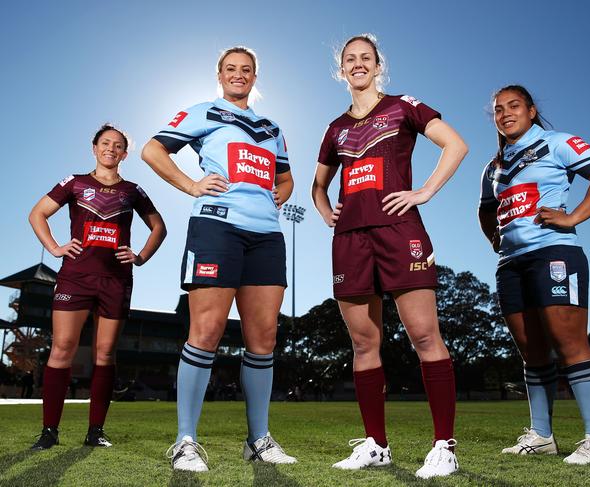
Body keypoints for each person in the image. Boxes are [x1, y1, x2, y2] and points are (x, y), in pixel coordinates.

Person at [312, 34, 468, 478]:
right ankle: (376, 446)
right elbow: (318, 186)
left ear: (378, 66)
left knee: (424, 334)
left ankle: (443, 446)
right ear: (341, 71)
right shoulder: (335, 128)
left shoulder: (404, 106)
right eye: (350, 60)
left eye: (366, 58)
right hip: (350, 239)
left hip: (400, 230)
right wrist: (326, 212)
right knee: (363, 343)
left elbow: (455, 145)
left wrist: (424, 192)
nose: (358, 64)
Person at [141, 45, 296, 472]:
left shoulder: (272, 126)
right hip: (217, 226)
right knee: (206, 330)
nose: (238, 75)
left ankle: (258, 440)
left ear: (255, 76)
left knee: (263, 338)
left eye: (246, 70)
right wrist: (192, 185)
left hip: (266, 235)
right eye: (231, 69)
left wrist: (273, 198)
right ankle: (185, 441)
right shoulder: (202, 112)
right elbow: (153, 151)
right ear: (220, 74)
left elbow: (286, 178)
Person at [478, 85, 590, 464]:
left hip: (554, 253)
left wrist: (573, 216)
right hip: (510, 263)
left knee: (569, 342)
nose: (506, 113)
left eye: (513, 106)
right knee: (531, 351)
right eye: (498, 109)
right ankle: (541, 435)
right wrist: (494, 236)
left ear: (530, 110)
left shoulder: (557, 142)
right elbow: (485, 210)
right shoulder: (493, 167)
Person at [28, 124, 166, 450]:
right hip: (75, 276)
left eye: (118, 146)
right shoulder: (74, 183)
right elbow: (38, 214)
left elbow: (158, 226)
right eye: (105, 143)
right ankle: (49, 431)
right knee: (62, 347)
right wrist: (55, 247)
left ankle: (95, 432)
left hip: (116, 280)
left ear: (124, 154)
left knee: (105, 353)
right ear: (94, 148)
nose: (111, 149)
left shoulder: (133, 190)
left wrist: (141, 256)